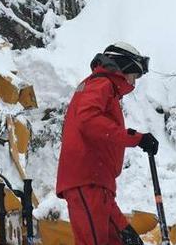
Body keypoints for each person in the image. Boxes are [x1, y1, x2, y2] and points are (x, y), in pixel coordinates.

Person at [56, 42, 159, 245]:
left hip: (100, 184)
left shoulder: (107, 89)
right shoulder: (100, 84)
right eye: (134, 75)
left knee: (125, 240)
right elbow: (88, 120)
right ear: (125, 66)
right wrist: (136, 138)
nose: (133, 82)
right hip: (87, 180)